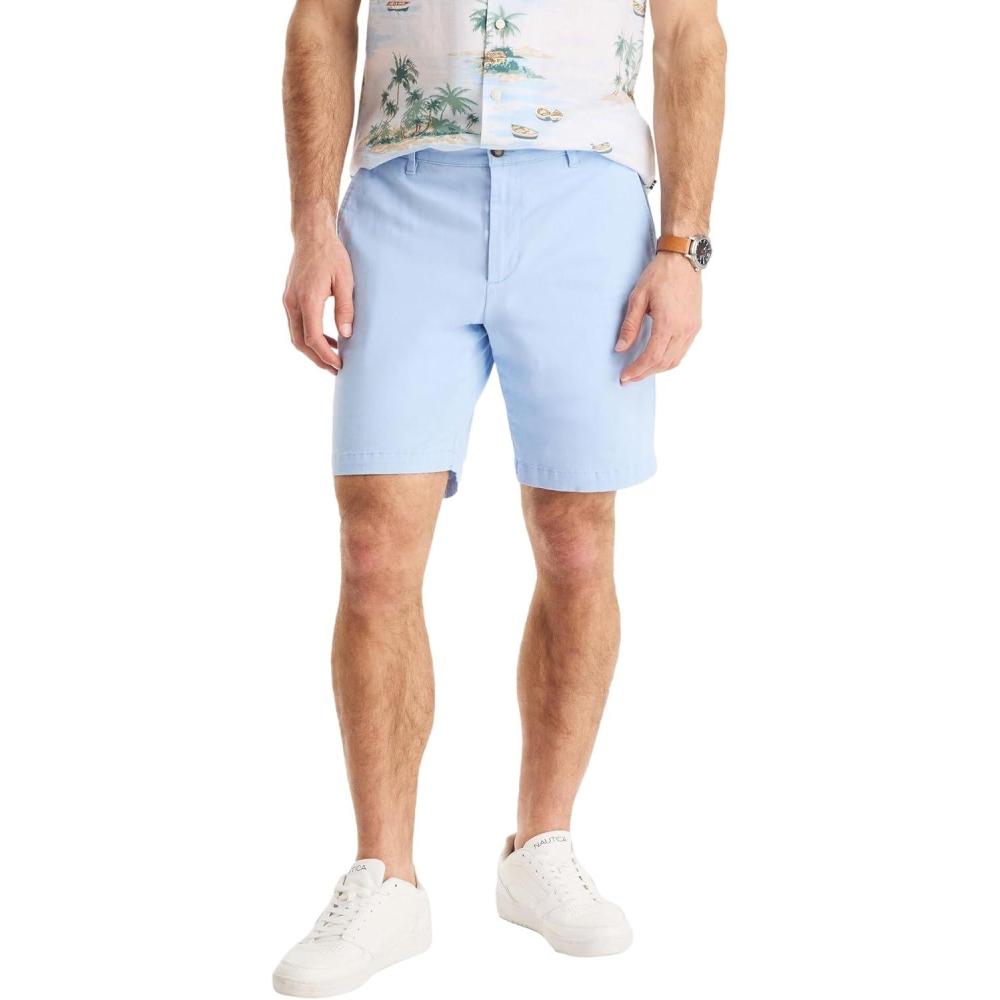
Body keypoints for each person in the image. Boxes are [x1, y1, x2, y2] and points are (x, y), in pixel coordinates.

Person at [273, 0, 725, 994]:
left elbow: (691, 30)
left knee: (577, 537)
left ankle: (541, 845)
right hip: (405, 184)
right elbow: (321, 18)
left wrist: (682, 246)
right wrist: (310, 223)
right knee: (373, 548)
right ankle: (386, 875)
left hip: (587, 191)